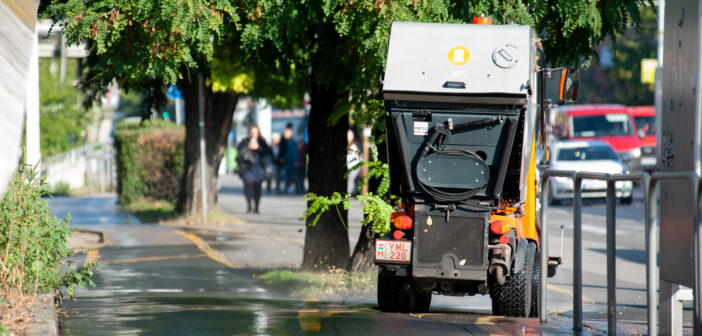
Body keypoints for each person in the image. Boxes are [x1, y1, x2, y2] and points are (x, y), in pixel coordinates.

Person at [236, 124, 270, 214]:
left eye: (255, 132)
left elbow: (267, 152)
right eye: (252, 132)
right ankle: (249, 206)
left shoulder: (262, 142)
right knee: (248, 186)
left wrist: (258, 148)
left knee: (257, 188)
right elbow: (239, 151)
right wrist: (248, 147)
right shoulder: (245, 141)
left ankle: (256, 206)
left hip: (259, 167)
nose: (254, 134)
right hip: (247, 167)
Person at [346, 129, 362, 195]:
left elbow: (357, 156)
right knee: (349, 180)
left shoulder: (353, 147)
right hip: (349, 167)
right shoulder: (350, 146)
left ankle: (349, 192)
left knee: (350, 180)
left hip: (353, 167)